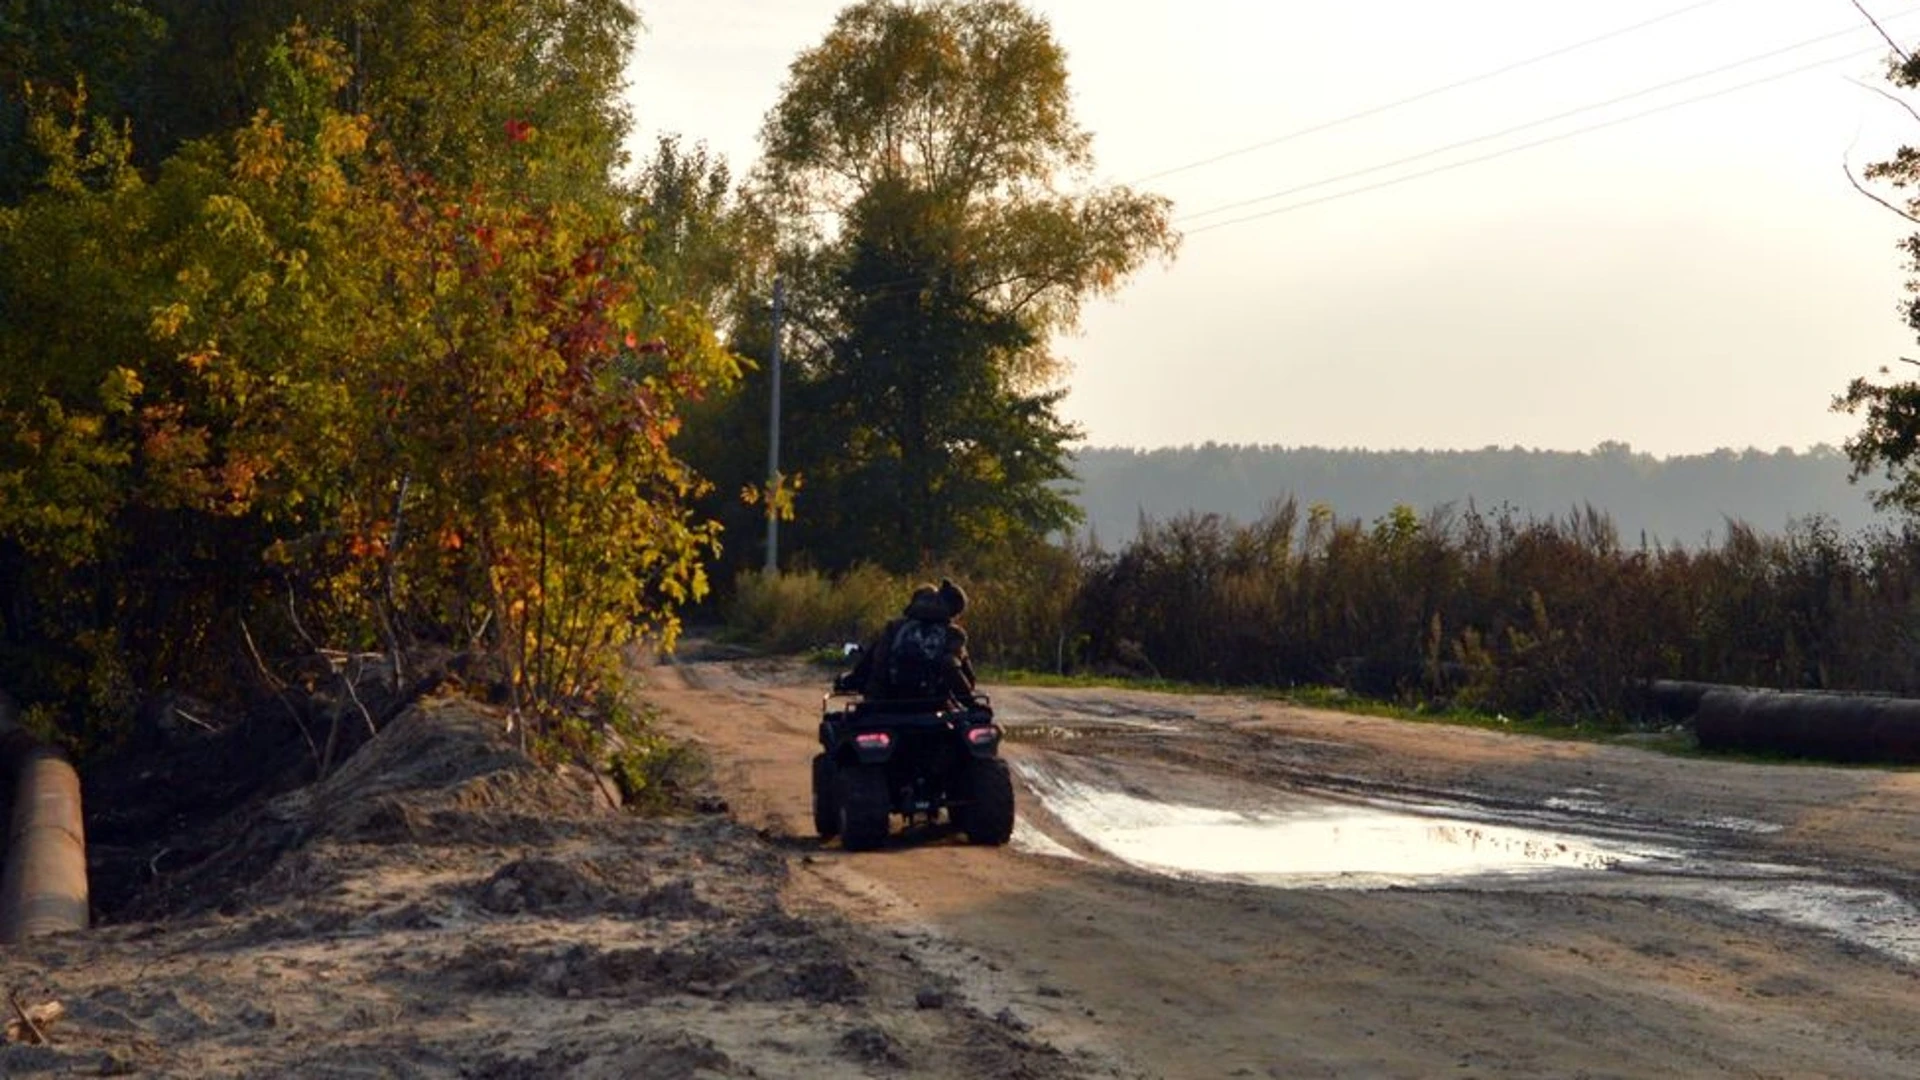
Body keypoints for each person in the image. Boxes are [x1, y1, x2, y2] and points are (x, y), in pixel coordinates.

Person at [837, 578, 980, 707]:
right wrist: (971, 703)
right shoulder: (953, 633)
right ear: (953, 611)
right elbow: (963, 675)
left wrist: (860, 688)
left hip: (886, 704)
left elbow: (874, 664)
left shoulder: (894, 628)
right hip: (933, 705)